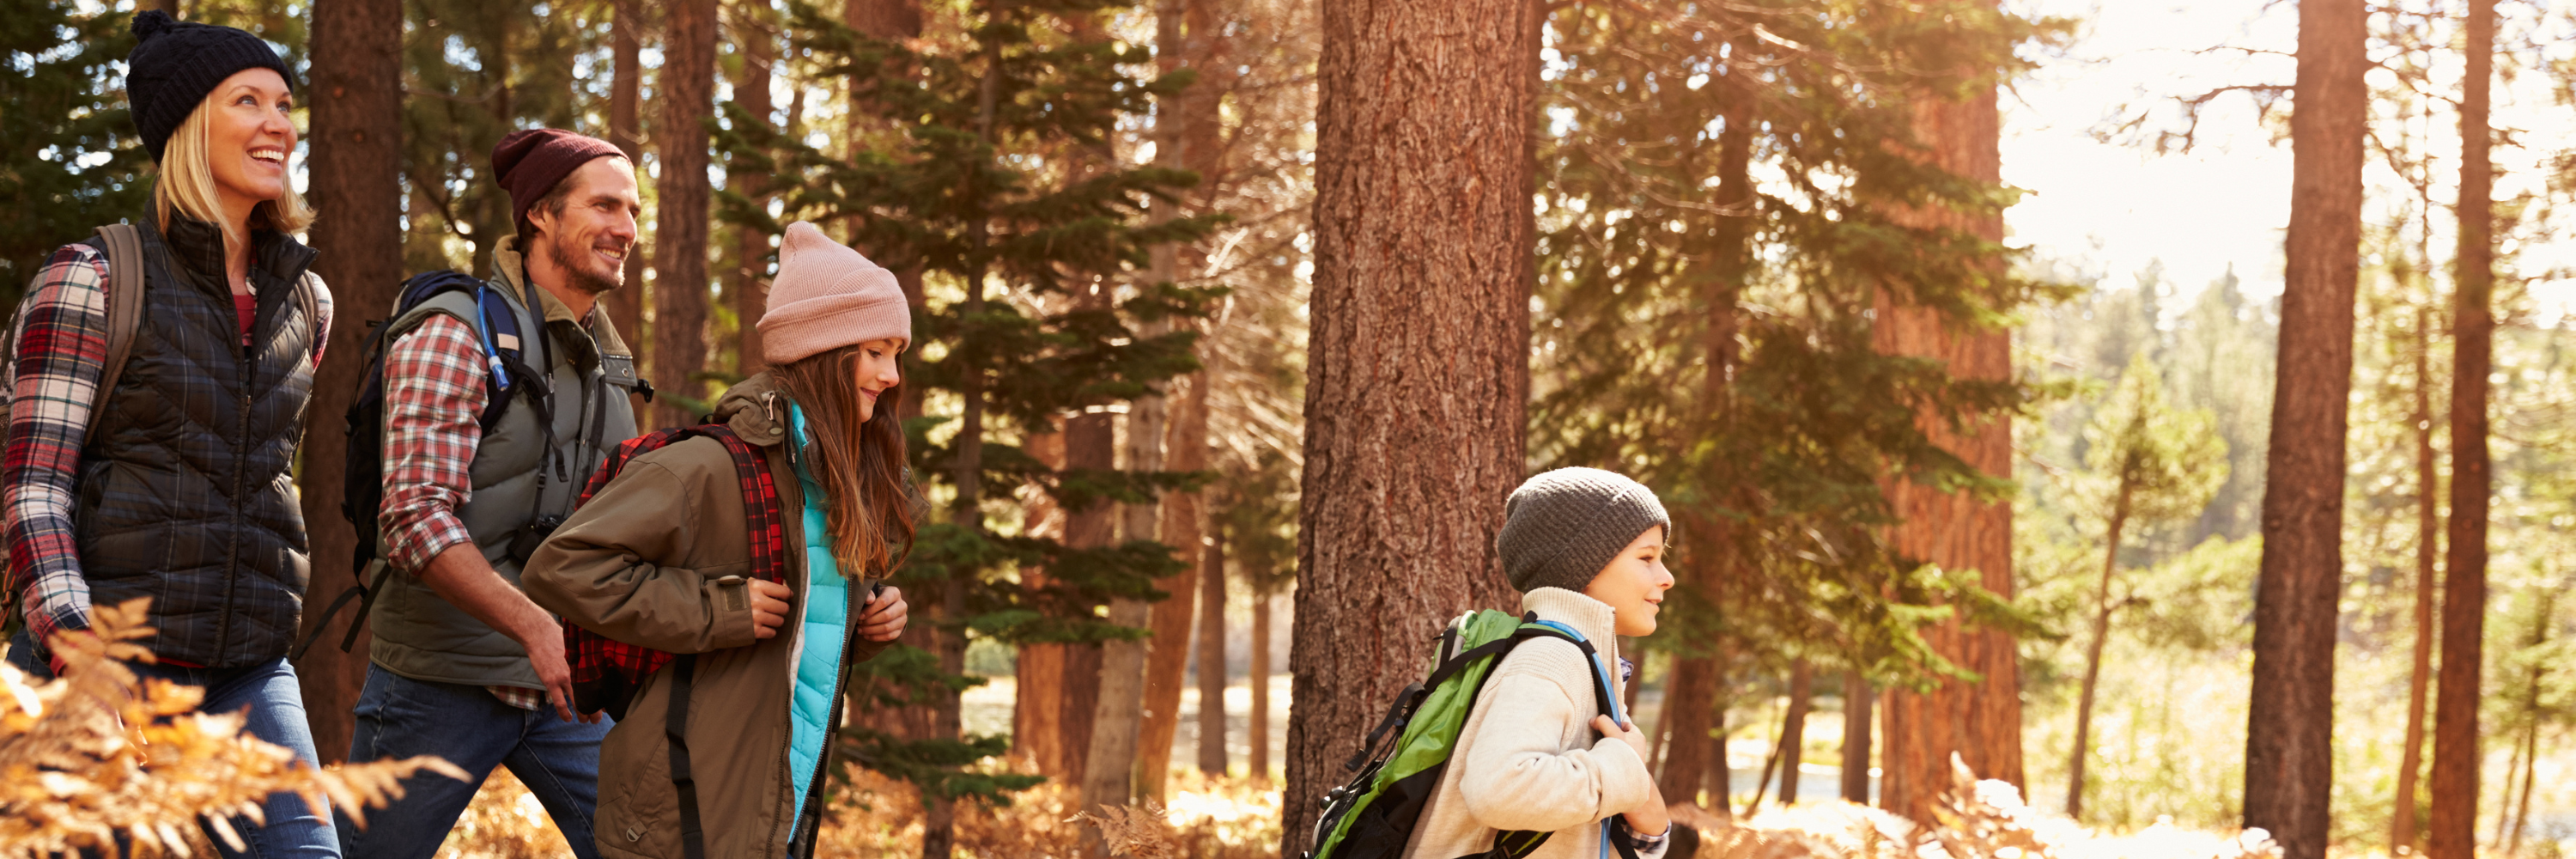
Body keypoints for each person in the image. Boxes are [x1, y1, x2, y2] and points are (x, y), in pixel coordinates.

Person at [1, 10, 337, 857]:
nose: (278, 123)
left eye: (284, 103)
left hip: (249, 667)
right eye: (247, 101)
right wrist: (84, 657)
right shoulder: (92, 280)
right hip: (101, 661)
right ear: (188, 127)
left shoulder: (307, 301)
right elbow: (32, 490)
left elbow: (261, 477)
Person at [523, 221, 914, 859]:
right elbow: (560, 566)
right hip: (684, 813)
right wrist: (716, 609)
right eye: (875, 352)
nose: (892, 374)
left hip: (777, 803)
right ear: (821, 352)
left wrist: (866, 624)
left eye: (897, 354)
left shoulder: (835, 483)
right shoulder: (708, 467)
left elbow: (798, 643)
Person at [334, 129, 650, 858]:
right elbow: (413, 518)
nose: (626, 229)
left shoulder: (608, 358)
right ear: (540, 213)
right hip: (436, 681)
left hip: (563, 684)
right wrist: (535, 626)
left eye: (633, 211)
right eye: (605, 206)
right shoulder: (455, 332)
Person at [1402, 467, 1680, 859]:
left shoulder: (1582, 660)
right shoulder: (1551, 658)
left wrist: (1645, 816)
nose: (1667, 577)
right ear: (1584, 564)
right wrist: (1622, 766)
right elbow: (1498, 790)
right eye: (1647, 557)